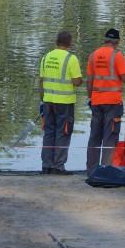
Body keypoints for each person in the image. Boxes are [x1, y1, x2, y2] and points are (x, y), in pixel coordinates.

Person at [86, 28, 125, 175]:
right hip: (112, 102)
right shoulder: (117, 56)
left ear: (105, 40)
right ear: (117, 42)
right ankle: (105, 171)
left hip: (96, 101)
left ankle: (91, 170)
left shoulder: (93, 55)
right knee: (109, 137)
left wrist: (90, 98)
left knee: (94, 137)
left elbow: (89, 80)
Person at [38, 31, 83, 175]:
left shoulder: (46, 57)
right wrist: (81, 81)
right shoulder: (71, 58)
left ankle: (46, 165)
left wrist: (42, 100)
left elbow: (41, 81)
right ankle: (58, 166)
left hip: (48, 101)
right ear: (70, 43)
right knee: (63, 133)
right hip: (65, 102)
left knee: (49, 133)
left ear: (56, 41)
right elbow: (76, 81)